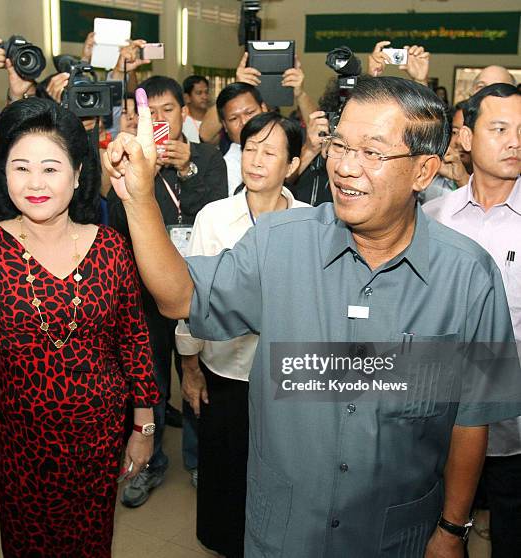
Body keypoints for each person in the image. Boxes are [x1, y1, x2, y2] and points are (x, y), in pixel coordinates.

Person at [104, 78, 521, 557]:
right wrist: (138, 198)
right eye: (340, 144)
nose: (344, 166)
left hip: (396, 534)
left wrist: (452, 529)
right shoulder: (279, 243)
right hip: (286, 529)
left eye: (372, 152)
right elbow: (179, 297)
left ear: (424, 171)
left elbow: (472, 420)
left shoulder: (471, 275)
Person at [0, 97, 160, 557]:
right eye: (20, 168)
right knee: (27, 544)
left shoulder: (111, 246)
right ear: (2, 174)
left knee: (91, 543)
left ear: (77, 173)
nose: (34, 183)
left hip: (99, 433)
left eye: (50, 169)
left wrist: (143, 428)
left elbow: (133, 340)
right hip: (21, 438)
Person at [176, 112, 309, 558]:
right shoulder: (215, 217)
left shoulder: (312, 223)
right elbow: (190, 300)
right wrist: (190, 369)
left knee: (283, 470)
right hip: (226, 369)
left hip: (287, 377)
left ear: (291, 165)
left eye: (270, 152)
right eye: (250, 148)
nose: (256, 159)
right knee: (227, 470)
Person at [107, 75, 227, 507]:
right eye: (149, 112)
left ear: (184, 113)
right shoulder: (132, 159)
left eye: (167, 110)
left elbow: (214, 216)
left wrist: (186, 168)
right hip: (144, 292)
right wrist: (144, 176)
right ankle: (150, 461)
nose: (159, 119)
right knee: (149, 380)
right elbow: (118, 228)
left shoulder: (209, 157)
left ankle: (199, 461)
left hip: (196, 285)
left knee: (199, 376)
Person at [423, 83, 521, 558]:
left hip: (515, 427)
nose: (514, 141)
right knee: (438, 535)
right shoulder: (432, 218)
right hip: (440, 422)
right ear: (464, 137)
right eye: (499, 128)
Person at [211, 83, 268, 196]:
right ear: (225, 126)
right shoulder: (225, 167)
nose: (244, 122)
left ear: (264, 109)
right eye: (234, 118)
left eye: (250, 113)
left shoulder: (286, 140)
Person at [182, 75, 209, 143]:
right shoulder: (182, 121)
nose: (204, 97)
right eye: (199, 93)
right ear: (187, 97)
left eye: (206, 92)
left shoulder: (215, 118)